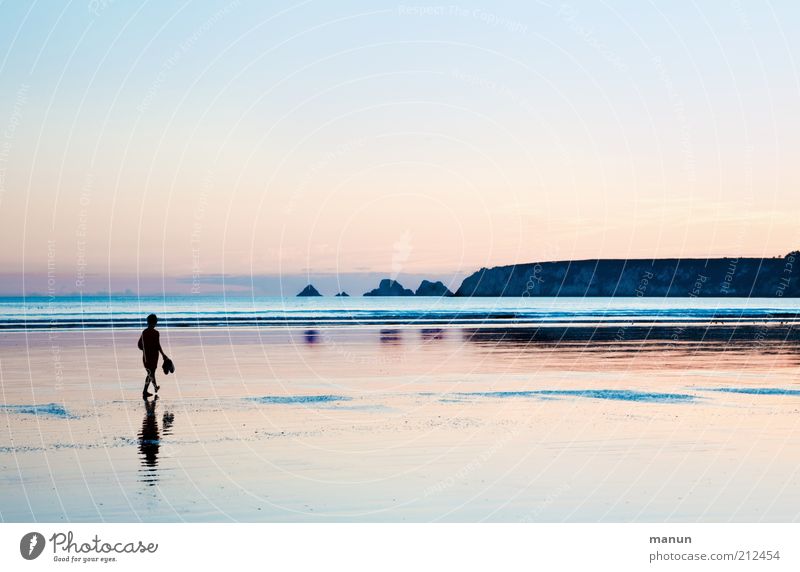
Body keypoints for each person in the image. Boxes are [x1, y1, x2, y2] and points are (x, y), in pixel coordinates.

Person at [138, 313, 169, 397]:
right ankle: (147, 390)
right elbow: (158, 345)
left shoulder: (145, 332)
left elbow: (139, 345)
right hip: (154, 355)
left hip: (147, 356)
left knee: (151, 373)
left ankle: (154, 388)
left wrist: (145, 350)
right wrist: (163, 354)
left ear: (148, 322)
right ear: (155, 322)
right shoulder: (156, 333)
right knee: (151, 373)